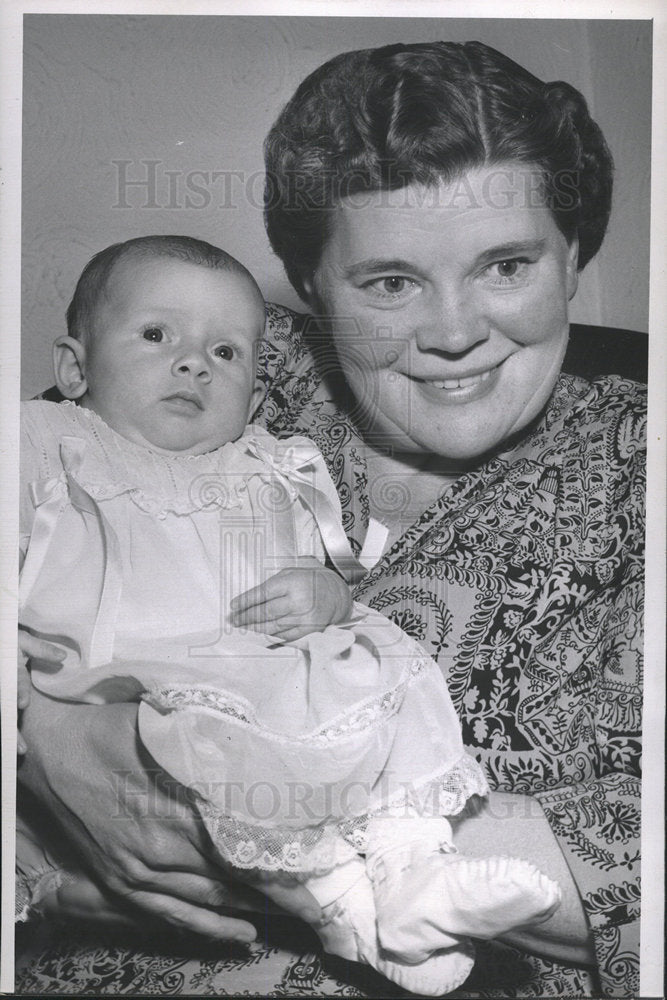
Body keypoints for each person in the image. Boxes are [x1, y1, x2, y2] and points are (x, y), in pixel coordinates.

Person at [17, 40, 644, 998]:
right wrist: (40, 752)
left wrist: (219, 806)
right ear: (310, 294)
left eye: (506, 265)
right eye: (389, 282)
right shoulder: (209, 374)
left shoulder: (639, 468)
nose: (450, 330)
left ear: (572, 259)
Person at [17, 233, 564, 996]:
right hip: (133, 694)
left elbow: (317, 573)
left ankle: (412, 870)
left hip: (253, 677)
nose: (192, 363)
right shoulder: (43, 444)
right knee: (234, 771)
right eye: (154, 336)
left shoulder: (268, 463)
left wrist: (327, 594)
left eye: (227, 353)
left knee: (383, 665)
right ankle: (352, 913)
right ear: (74, 367)